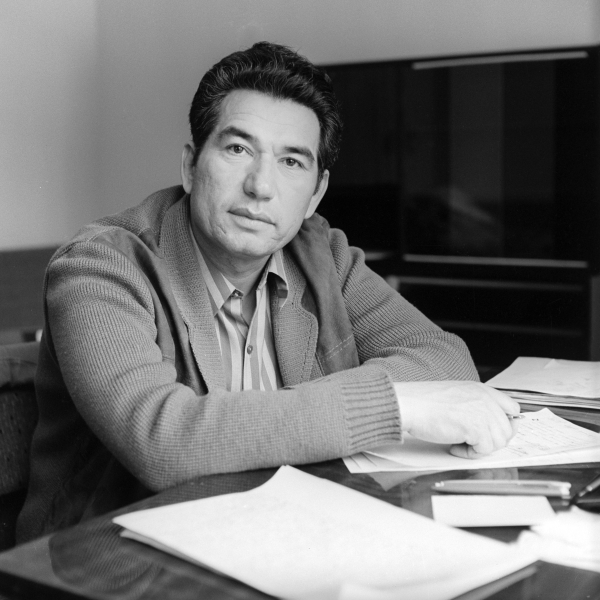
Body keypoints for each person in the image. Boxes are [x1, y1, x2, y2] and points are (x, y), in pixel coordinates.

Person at [18, 42, 519, 542]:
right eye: (238, 149)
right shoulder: (99, 266)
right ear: (191, 166)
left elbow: (444, 359)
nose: (261, 186)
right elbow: (162, 440)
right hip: (106, 559)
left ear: (316, 193)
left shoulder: (323, 257)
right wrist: (395, 407)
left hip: (279, 533)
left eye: (292, 162)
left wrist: (290, 421)